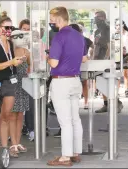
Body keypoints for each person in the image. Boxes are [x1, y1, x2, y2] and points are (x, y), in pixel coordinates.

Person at [46, 7, 87, 166]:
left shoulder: (58, 37)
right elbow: (84, 59)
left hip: (61, 81)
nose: (51, 22)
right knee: (75, 119)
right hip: (75, 80)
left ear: (58, 19)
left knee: (65, 121)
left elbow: (54, 62)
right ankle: (76, 152)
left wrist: (47, 57)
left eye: (52, 19)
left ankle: (65, 156)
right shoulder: (79, 36)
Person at [0, 11, 23, 160]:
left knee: (7, 116)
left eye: (10, 28)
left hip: (9, 81)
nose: (8, 31)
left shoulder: (11, 43)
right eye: (6, 27)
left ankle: (6, 148)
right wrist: (12, 62)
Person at [8, 29, 30, 157]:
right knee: (12, 115)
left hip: (23, 85)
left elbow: (31, 66)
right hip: (11, 85)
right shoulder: (8, 53)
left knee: (20, 115)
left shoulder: (26, 52)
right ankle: (13, 143)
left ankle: (18, 141)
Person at [113, 19, 128, 97]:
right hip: (117, 55)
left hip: (126, 55)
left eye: (120, 25)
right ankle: (117, 90)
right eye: (117, 25)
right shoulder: (115, 34)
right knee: (117, 74)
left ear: (123, 25)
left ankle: (126, 89)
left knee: (125, 73)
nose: (118, 26)